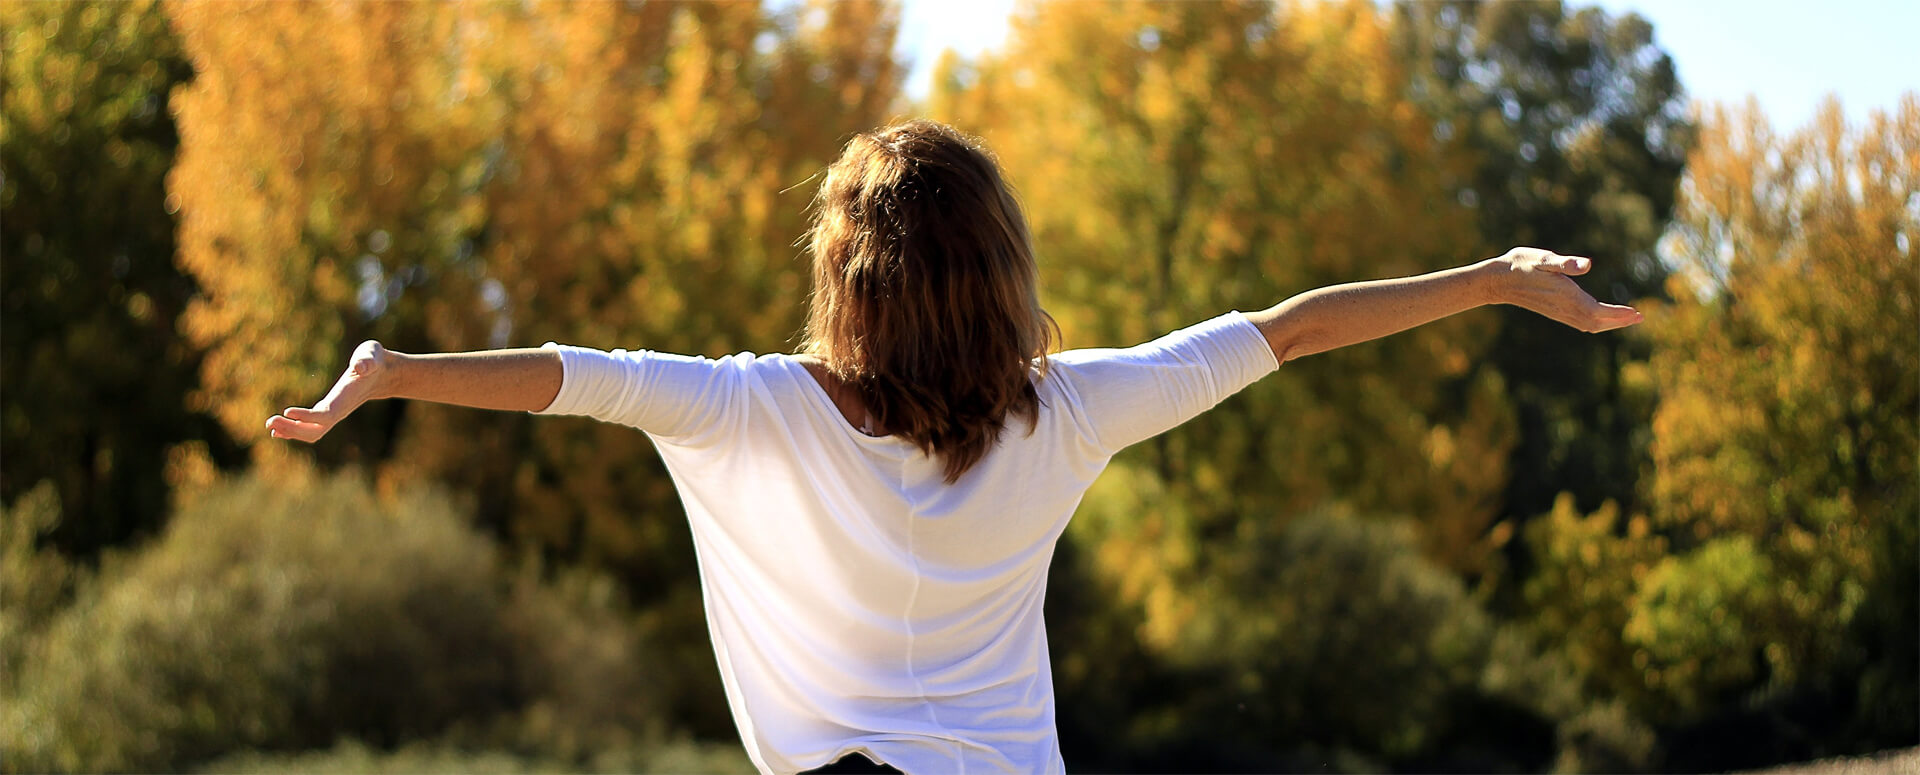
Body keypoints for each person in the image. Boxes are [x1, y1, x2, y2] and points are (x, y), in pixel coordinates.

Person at [266, 119, 1641, 775]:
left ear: (841, 280)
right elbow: (1283, 333)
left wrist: (391, 375)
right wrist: (1490, 276)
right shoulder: (1071, 411)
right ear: (1000, 271)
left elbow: (569, 379)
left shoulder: (756, 408)